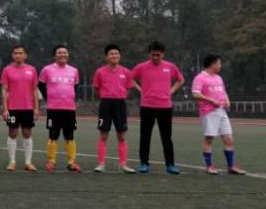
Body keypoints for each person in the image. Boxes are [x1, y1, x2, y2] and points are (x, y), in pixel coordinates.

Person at [131, 41, 184, 175]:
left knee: (166, 137)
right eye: (153, 55)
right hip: (147, 106)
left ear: (163, 54)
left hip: (165, 107)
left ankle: (170, 164)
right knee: (145, 136)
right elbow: (129, 79)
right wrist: (140, 89)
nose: (155, 57)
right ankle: (144, 163)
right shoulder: (141, 67)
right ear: (149, 54)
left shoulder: (170, 67)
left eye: (158, 55)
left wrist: (171, 91)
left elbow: (181, 80)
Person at [191, 54, 246, 176]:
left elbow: (223, 91)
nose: (220, 65)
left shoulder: (218, 77)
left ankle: (231, 166)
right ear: (213, 64)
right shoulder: (200, 78)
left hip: (222, 111)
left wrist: (227, 100)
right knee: (209, 139)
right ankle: (209, 166)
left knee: (229, 138)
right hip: (209, 112)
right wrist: (211, 100)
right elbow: (195, 94)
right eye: (219, 63)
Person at [91, 44, 135, 173]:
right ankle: (101, 164)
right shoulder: (100, 72)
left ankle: (123, 164)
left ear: (119, 56)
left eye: (116, 53)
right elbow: (96, 88)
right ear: (107, 57)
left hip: (120, 104)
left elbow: (129, 88)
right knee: (103, 135)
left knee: (122, 136)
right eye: (111, 54)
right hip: (105, 104)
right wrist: (106, 96)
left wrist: (120, 95)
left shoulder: (126, 72)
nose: (114, 56)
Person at [38, 45, 81, 172]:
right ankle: (51, 161)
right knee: (53, 134)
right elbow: (41, 85)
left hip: (69, 109)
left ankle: (71, 162)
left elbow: (75, 87)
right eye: (59, 53)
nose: (63, 55)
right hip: (53, 109)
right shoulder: (47, 70)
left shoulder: (74, 71)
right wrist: (49, 97)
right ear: (54, 56)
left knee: (70, 135)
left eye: (65, 52)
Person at [0, 44, 40, 171]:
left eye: (20, 53)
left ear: (25, 55)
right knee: (12, 133)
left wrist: (36, 108)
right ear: (12, 55)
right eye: (15, 53)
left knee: (27, 133)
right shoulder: (7, 70)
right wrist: (5, 109)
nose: (18, 55)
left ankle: (28, 162)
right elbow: (4, 89)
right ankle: (12, 161)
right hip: (12, 108)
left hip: (28, 108)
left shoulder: (32, 70)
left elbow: (35, 90)